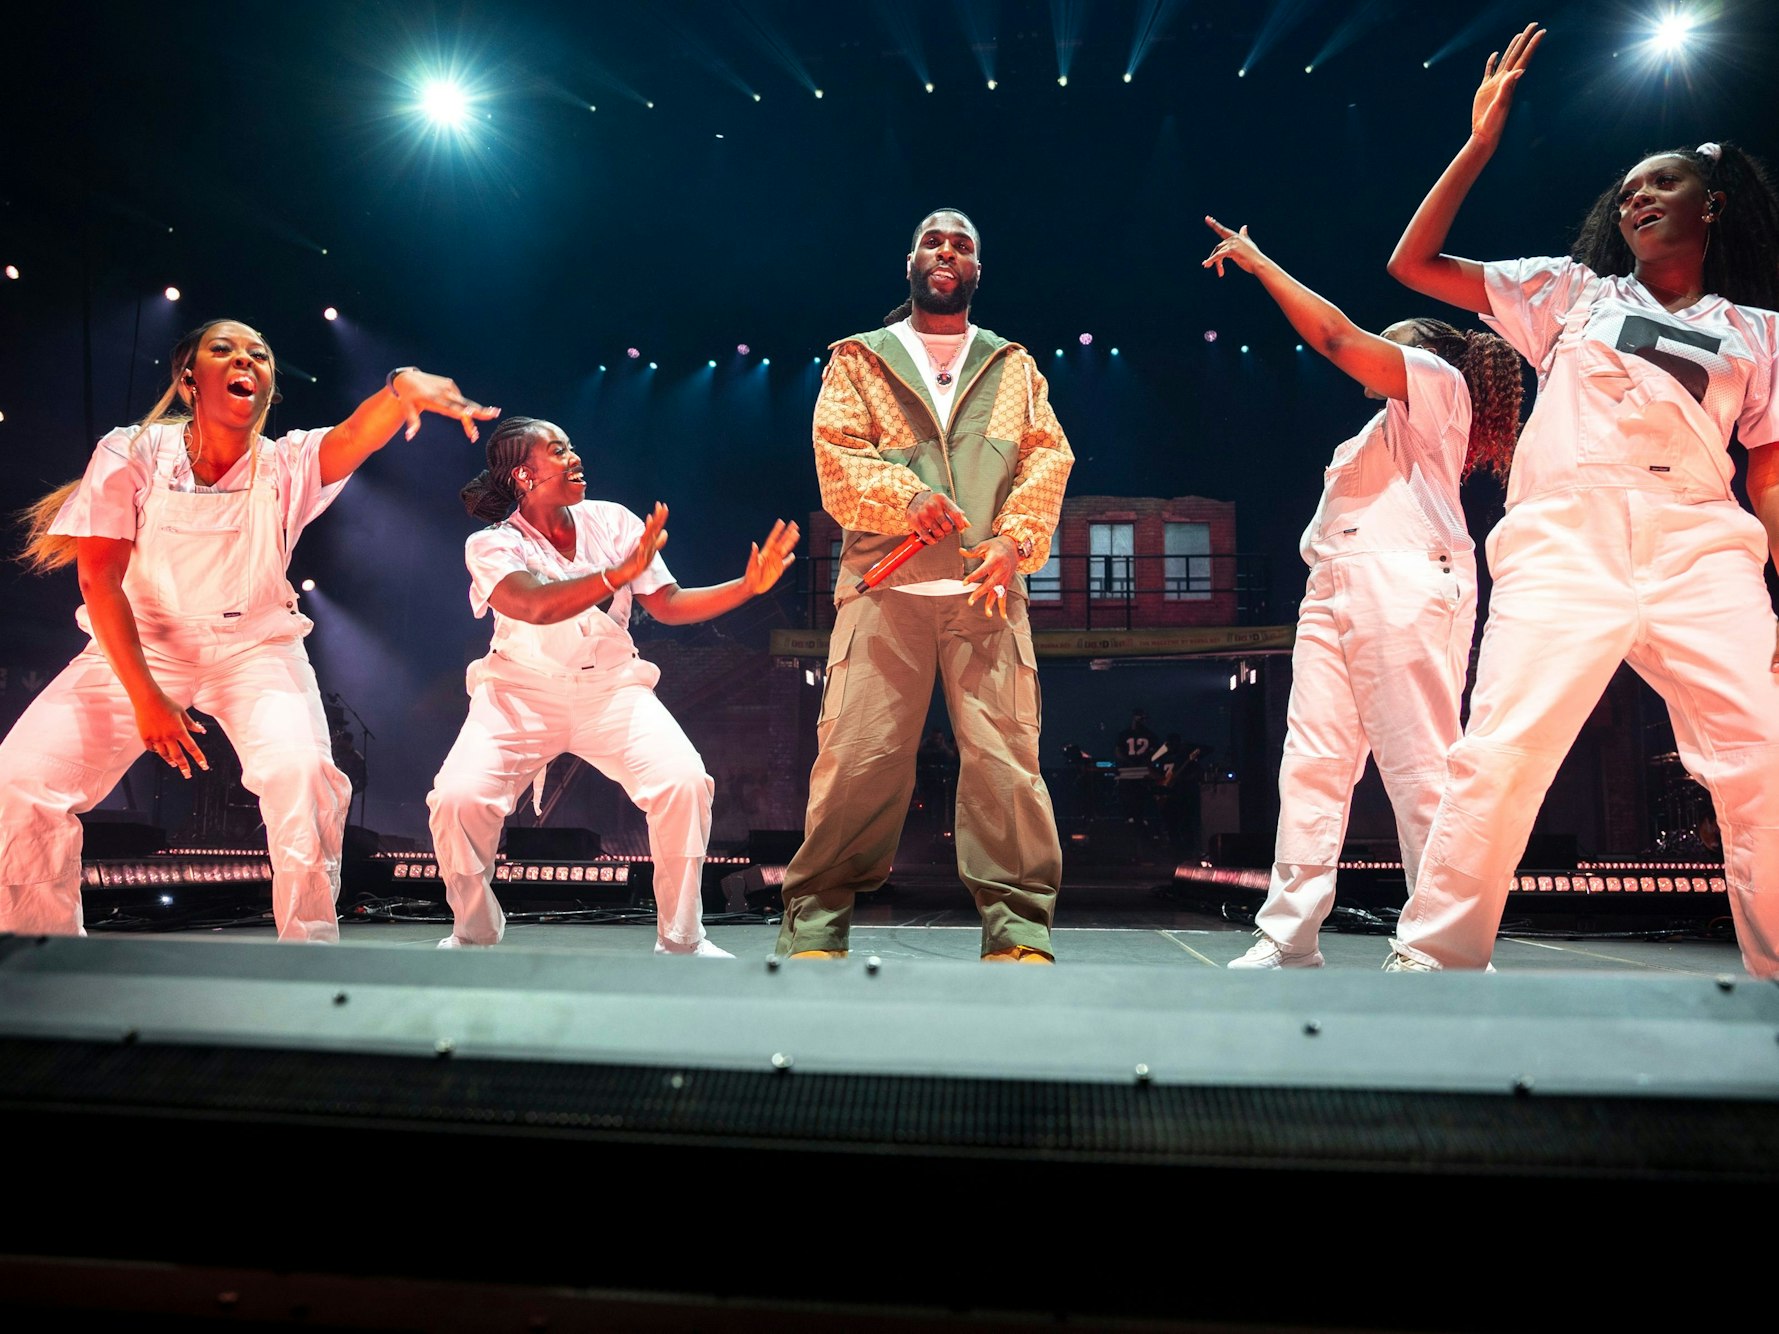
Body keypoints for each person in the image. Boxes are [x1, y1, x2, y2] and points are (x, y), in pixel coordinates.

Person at [1383, 24, 1779, 976]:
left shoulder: (1758, 334)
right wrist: (1479, 145)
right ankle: (1433, 962)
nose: (1639, 195)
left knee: (1760, 762)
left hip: (1700, 548)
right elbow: (1414, 265)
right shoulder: (1568, 294)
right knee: (1502, 752)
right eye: (1628, 189)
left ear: (1712, 206)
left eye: (1663, 182)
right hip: (1565, 543)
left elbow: (1766, 473)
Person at [2, 320, 495, 940]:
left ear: (267, 388)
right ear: (189, 380)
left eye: (260, 355)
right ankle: (39, 952)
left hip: (255, 650)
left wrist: (402, 388)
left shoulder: (287, 464)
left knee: (305, 777)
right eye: (225, 349)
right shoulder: (130, 451)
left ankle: (308, 955)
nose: (246, 360)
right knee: (22, 780)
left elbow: (353, 434)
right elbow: (99, 582)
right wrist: (146, 696)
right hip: (138, 643)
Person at [1201, 217, 1523, 968]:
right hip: (1337, 584)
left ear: (1429, 355)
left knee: (1419, 763)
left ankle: (1444, 942)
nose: (1380, 349)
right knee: (1309, 763)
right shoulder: (1372, 436)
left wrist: (1261, 262)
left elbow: (1339, 340)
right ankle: (1288, 935)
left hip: (1406, 575)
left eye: (1395, 340)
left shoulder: (1441, 389)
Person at [775, 207, 1074, 962]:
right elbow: (835, 455)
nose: (947, 252)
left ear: (977, 270)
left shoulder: (1011, 365)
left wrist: (1015, 540)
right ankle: (815, 926)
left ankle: (1016, 930)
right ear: (909, 263)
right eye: (932, 241)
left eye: (963, 245)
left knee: (1007, 768)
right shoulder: (860, 359)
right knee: (856, 762)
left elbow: (1047, 460)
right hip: (885, 594)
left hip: (985, 596)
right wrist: (907, 496)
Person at [425, 417, 799, 955]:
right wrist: (614, 576)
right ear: (523, 475)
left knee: (684, 783)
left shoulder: (612, 521)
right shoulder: (491, 544)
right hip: (518, 692)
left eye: (572, 446)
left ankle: (683, 940)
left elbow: (666, 604)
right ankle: (474, 930)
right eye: (558, 451)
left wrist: (746, 586)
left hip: (611, 690)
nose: (576, 457)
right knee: (458, 799)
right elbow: (533, 604)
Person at [1115, 710, 1161, 828]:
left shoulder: (1150, 735)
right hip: (1129, 772)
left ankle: (1140, 818)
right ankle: (1131, 817)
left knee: (1141, 795)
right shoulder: (1125, 735)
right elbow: (1118, 751)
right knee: (1129, 795)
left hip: (1143, 772)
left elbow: (1155, 753)